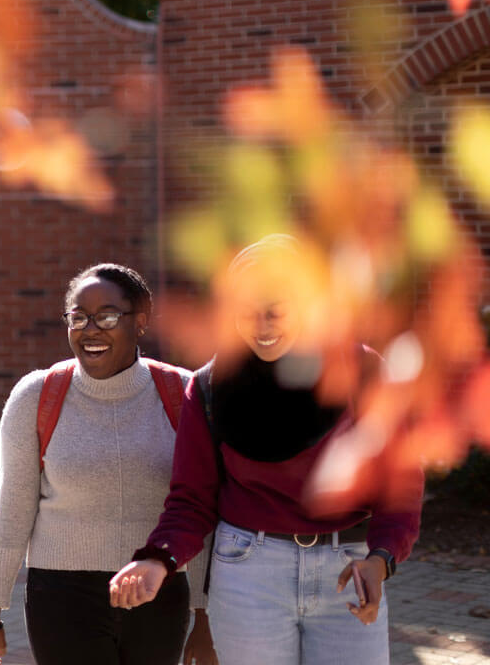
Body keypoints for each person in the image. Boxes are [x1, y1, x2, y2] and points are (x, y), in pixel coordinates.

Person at [109, 235, 423, 665]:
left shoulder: (363, 372)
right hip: (248, 573)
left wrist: (381, 558)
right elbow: (192, 499)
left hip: (347, 570)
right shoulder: (208, 386)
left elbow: (399, 486)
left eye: (276, 311)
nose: (261, 326)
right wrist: (158, 559)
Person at [0, 263, 214, 665]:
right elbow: (12, 511)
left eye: (107, 316)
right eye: (78, 317)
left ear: (141, 322)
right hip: (61, 599)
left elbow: (198, 510)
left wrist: (203, 618)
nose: (90, 329)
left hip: (158, 592)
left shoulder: (183, 394)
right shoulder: (36, 396)